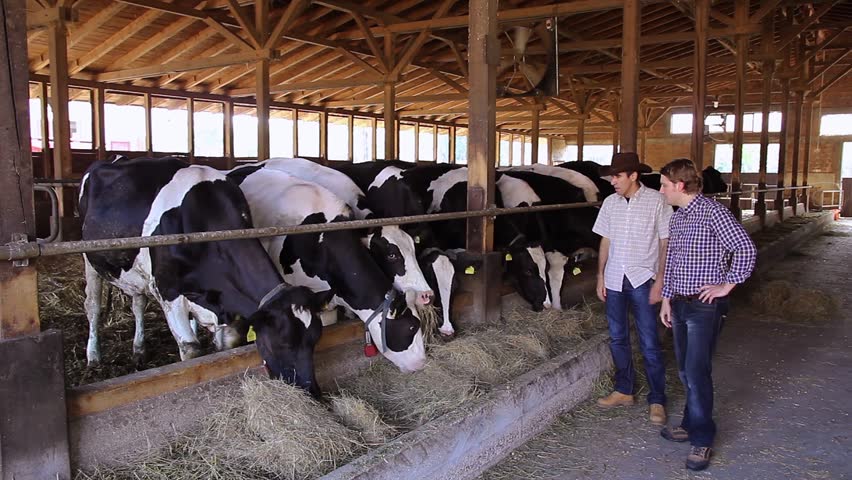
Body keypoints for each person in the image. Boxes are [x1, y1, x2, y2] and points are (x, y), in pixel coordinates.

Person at [657, 158, 756, 471]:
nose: (661, 190)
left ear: (680, 186)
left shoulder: (714, 212)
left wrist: (727, 285)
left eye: (664, 185)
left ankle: (702, 438)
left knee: (697, 372)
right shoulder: (678, 218)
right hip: (681, 302)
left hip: (704, 306)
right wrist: (666, 299)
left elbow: (745, 248)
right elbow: (672, 261)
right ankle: (689, 423)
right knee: (686, 371)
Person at [592, 152, 673, 426]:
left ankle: (657, 399)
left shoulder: (657, 201)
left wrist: (660, 279)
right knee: (617, 338)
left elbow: (665, 242)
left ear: (633, 176)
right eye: (611, 176)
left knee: (649, 342)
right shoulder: (610, 203)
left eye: (617, 176)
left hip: (643, 279)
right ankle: (624, 390)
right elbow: (605, 240)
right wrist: (601, 275)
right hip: (615, 279)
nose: (612, 181)